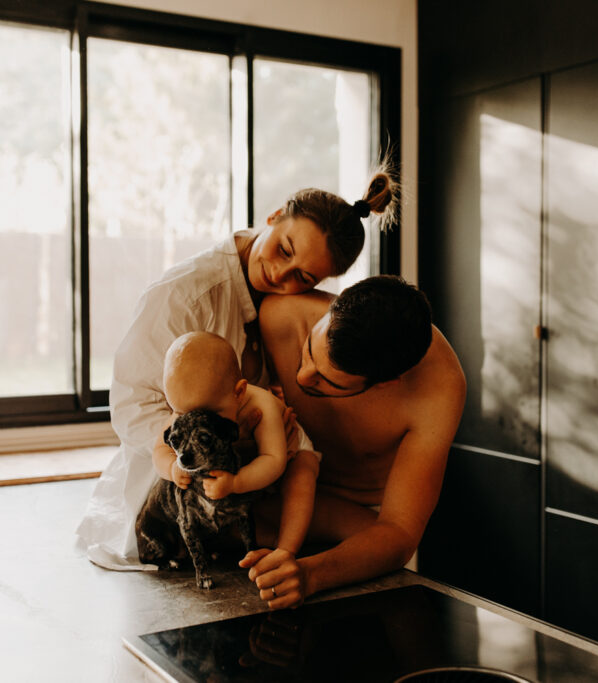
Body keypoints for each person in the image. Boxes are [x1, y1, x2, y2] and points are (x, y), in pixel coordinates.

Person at [76, 170, 398, 570]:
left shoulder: (284, 309)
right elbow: (131, 406)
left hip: (258, 468)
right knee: (358, 535)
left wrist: (278, 410)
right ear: (275, 216)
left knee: (371, 531)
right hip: (181, 479)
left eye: (304, 277)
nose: (281, 275)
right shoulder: (187, 294)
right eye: (284, 250)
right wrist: (208, 439)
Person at [239, 275, 467, 609]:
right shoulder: (282, 313)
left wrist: (309, 574)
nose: (302, 377)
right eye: (308, 353)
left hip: (363, 526)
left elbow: (399, 533)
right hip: (277, 495)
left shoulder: (440, 389)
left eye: (326, 382)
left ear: (386, 383)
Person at [160, 331, 320, 557]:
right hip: (243, 460)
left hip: (289, 452)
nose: (198, 423)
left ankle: (286, 549)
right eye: (183, 414)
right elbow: (159, 449)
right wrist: (171, 467)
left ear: (239, 392)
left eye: (211, 414)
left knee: (302, 476)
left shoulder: (262, 406)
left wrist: (236, 483)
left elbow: (274, 460)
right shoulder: (187, 408)